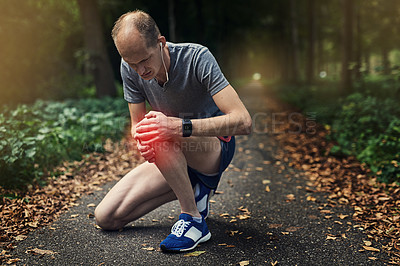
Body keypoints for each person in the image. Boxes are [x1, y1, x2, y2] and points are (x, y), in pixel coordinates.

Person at [94, 10, 252, 252]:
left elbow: (242, 122)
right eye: (131, 63)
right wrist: (141, 141)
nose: (140, 70)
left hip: (212, 148)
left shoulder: (197, 57)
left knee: (158, 128)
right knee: (107, 217)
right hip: (171, 149)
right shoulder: (131, 67)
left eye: (144, 60)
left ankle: (193, 219)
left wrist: (179, 126)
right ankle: (196, 190)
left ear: (161, 43)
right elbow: (137, 125)